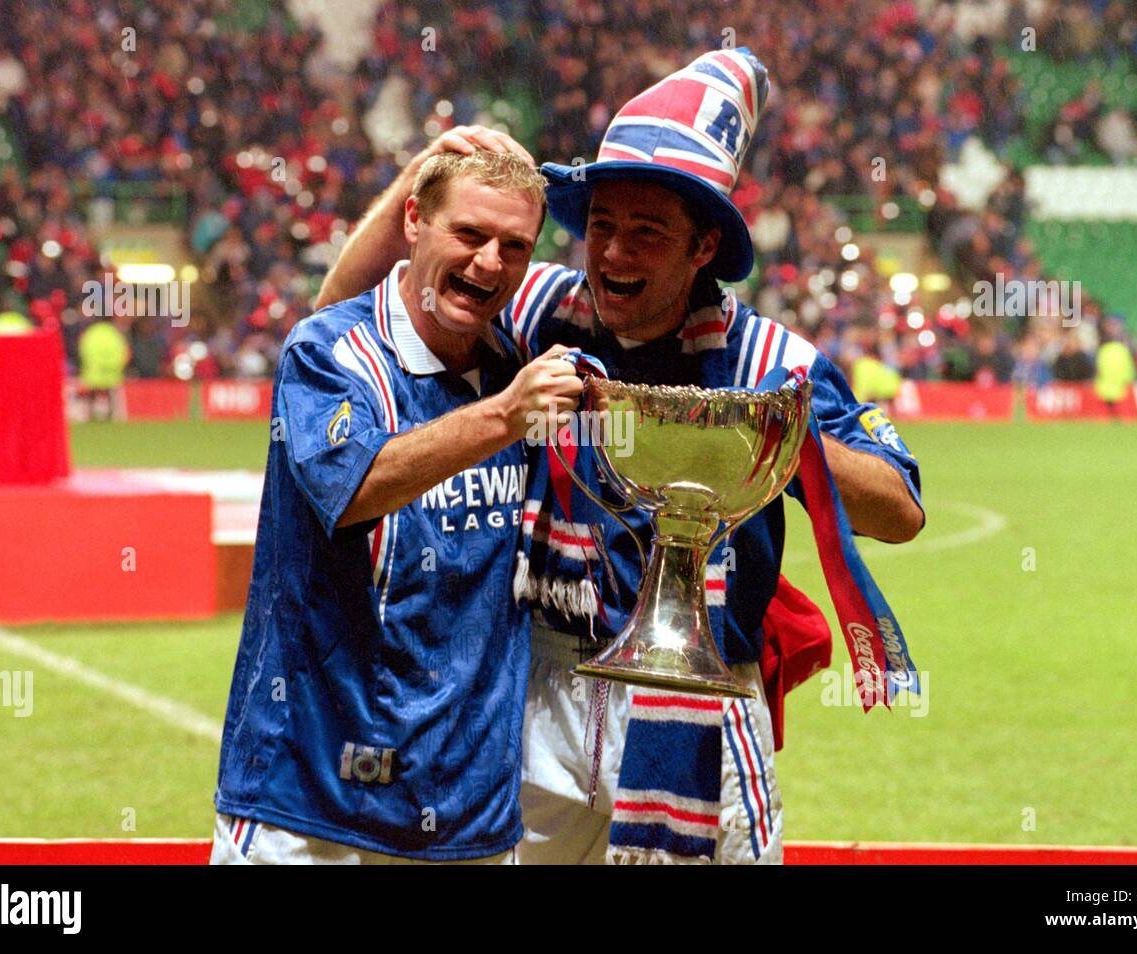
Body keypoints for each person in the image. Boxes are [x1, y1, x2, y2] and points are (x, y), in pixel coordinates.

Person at [318, 49, 924, 865]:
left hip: (698, 694)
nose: (612, 255)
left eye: (647, 233)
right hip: (538, 681)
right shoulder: (542, 310)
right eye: (602, 226)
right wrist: (415, 186)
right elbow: (340, 320)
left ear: (704, 246)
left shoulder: (771, 364)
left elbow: (900, 512)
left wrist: (779, 434)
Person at [211, 147, 583, 864]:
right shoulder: (328, 353)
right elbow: (351, 492)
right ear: (414, 220)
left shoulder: (517, 365)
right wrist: (505, 418)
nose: (488, 263)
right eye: (469, 235)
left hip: (467, 813)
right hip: (310, 804)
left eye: (514, 247)